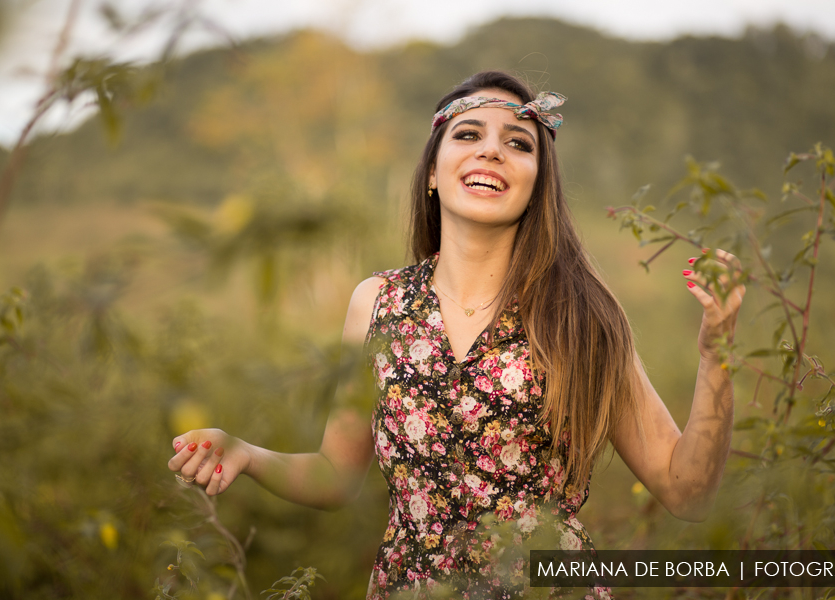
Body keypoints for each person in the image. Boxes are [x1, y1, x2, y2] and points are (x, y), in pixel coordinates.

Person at [167, 71, 745, 599]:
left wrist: (716, 348)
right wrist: (246, 453)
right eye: (469, 134)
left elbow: (688, 491)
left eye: (519, 143)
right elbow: (335, 474)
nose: (493, 148)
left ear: (537, 183)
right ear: (433, 173)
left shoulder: (581, 316)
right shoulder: (378, 304)